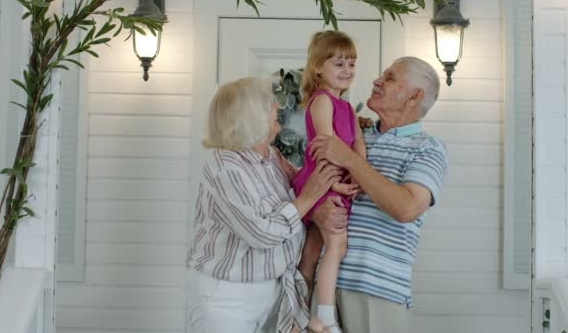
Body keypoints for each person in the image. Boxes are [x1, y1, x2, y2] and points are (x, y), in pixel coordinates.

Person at [186, 77, 342, 333]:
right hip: (228, 295)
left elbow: (303, 198)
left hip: (272, 291)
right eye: (269, 105)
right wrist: (308, 198)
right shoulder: (225, 166)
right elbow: (262, 232)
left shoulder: (272, 157)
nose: (277, 108)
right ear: (249, 117)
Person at [311, 56, 449, 333]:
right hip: (324, 289)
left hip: (378, 293)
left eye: (390, 78)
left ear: (414, 97)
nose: (376, 81)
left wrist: (351, 160)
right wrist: (317, 212)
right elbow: (315, 187)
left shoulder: (428, 148)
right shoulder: (353, 135)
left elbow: (407, 208)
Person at [292, 30, 366, 333]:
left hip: (338, 178)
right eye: (338, 64)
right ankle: (324, 316)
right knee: (338, 244)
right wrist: (334, 185)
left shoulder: (347, 107)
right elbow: (325, 145)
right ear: (318, 67)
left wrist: (358, 169)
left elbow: (358, 142)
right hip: (323, 180)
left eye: (351, 63)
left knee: (311, 253)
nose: (347, 70)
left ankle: (297, 312)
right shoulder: (322, 101)